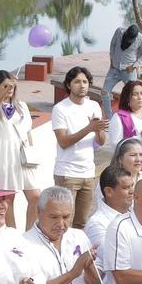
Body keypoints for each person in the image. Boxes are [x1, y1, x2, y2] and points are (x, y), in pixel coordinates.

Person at [0, 70, 47, 229]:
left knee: (35, 197)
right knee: (8, 198)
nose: (9, 88)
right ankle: (12, 234)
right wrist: (5, 92)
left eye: (11, 85)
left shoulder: (21, 106)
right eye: (5, 86)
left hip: (23, 156)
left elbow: (27, 128)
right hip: (5, 156)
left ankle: (30, 231)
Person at [49, 66, 106, 226]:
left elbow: (101, 141)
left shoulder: (94, 106)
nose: (82, 85)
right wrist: (89, 128)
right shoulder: (60, 109)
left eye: (85, 82)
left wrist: (98, 131)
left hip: (88, 173)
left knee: (81, 223)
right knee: (63, 222)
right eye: (77, 82)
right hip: (67, 174)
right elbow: (63, 141)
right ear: (69, 85)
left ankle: (76, 251)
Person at [107, 80, 142, 153]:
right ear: (128, 97)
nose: (140, 97)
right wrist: (139, 138)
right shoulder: (119, 117)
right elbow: (115, 145)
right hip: (131, 162)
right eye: (135, 94)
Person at [103, 24, 142, 100]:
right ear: (126, 32)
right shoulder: (119, 31)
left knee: (132, 94)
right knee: (105, 92)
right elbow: (112, 45)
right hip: (114, 68)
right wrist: (111, 60)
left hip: (129, 71)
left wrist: (134, 66)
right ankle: (108, 112)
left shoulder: (141, 38)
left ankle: (129, 111)